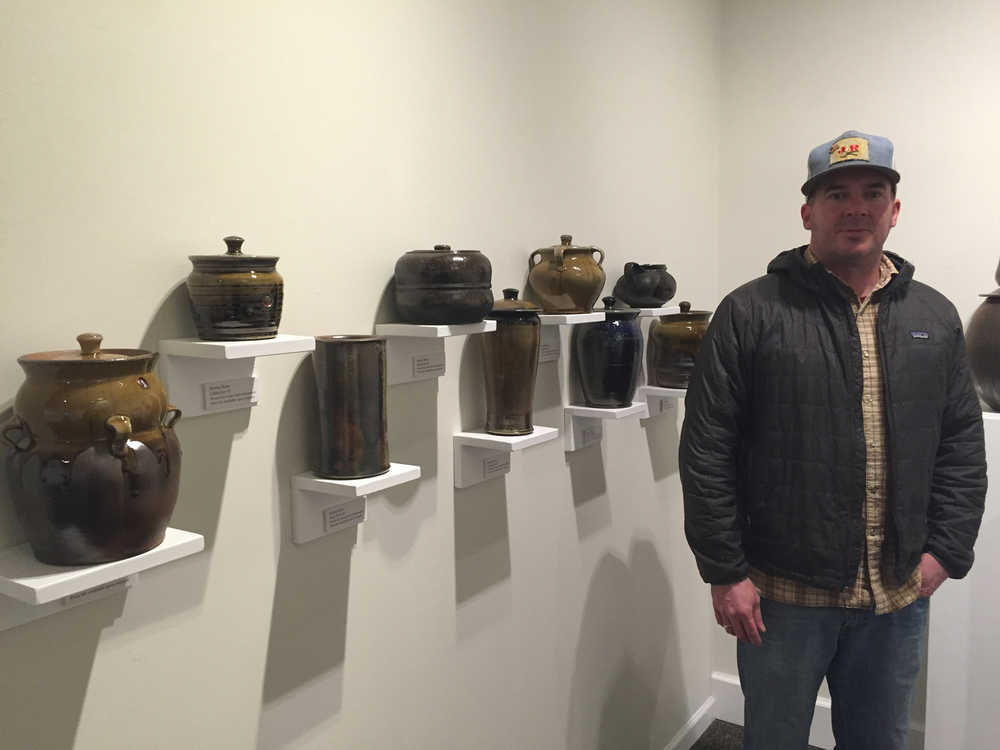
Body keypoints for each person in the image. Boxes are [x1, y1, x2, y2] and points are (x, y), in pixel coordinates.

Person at [679, 130, 987, 750]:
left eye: (872, 193)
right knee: (774, 738)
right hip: (783, 595)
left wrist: (946, 550)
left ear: (894, 210)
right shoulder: (750, 311)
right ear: (807, 213)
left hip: (896, 593)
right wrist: (725, 572)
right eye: (837, 194)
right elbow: (707, 448)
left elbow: (960, 443)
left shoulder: (933, 316)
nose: (856, 208)